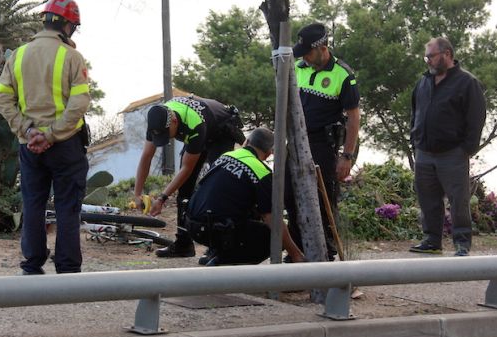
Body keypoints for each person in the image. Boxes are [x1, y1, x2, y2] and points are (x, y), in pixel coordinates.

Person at [0, 0, 91, 274]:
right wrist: (51, 134)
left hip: (29, 147)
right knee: (67, 207)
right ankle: (67, 268)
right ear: (68, 26)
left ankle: (32, 265)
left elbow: (2, 99)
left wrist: (27, 130)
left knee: (33, 204)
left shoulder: (19, 55)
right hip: (65, 146)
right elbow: (80, 103)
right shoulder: (72, 57)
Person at [134, 95, 244, 259]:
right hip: (200, 128)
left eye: (166, 134)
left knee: (216, 188)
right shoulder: (157, 119)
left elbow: (186, 169)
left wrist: (162, 198)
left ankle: (219, 245)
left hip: (221, 131)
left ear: (174, 122)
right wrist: (137, 193)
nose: (166, 138)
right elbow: (146, 157)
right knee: (184, 193)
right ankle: (183, 244)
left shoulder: (194, 124)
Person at [287, 23, 360, 260]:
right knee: (289, 194)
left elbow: (353, 118)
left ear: (323, 48)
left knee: (323, 198)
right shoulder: (298, 68)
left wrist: (347, 156)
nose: (305, 58)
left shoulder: (343, 75)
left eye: (308, 53)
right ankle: (297, 250)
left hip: (323, 145)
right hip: (296, 142)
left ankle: (325, 251)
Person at [409, 37, 486, 257]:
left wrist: (467, 149)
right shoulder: (423, 82)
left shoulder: (467, 82)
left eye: (431, 57)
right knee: (428, 201)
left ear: (447, 54)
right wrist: (414, 138)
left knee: (458, 201)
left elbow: (476, 118)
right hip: (424, 152)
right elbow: (415, 111)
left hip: (453, 154)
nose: (428, 62)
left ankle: (462, 243)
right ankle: (432, 240)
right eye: (427, 57)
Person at [185, 128, 305, 266]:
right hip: (215, 230)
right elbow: (272, 219)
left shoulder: (227, 156)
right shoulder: (261, 172)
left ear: (247, 142)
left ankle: (215, 252)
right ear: (270, 152)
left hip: (192, 224)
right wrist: (296, 254)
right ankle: (223, 262)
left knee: (245, 209)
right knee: (274, 237)